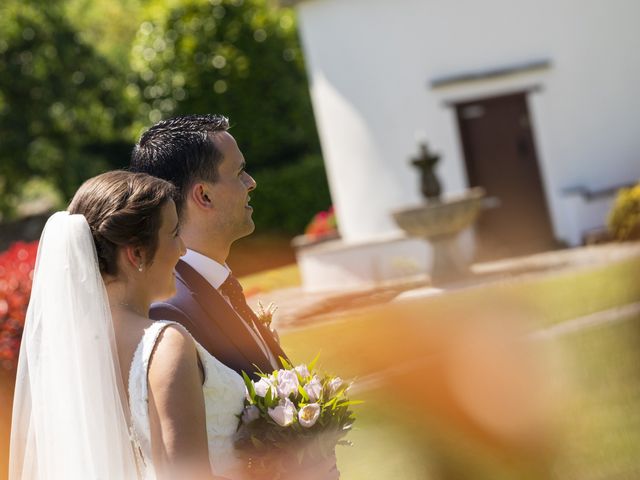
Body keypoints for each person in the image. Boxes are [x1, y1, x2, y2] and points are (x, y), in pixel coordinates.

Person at [9, 171, 247, 479]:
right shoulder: (164, 344)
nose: (183, 249)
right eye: (174, 233)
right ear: (136, 254)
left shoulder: (66, 357)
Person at [129, 115, 288, 378]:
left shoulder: (216, 284)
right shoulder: (169, 311)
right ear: (204, 195)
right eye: (239, 172)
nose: (251, 182)